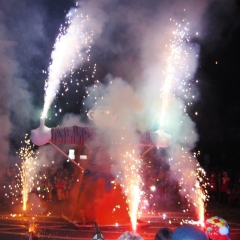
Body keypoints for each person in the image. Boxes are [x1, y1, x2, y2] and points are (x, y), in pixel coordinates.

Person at [31, 104, 172, 224]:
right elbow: (71, 133)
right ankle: (84, 216)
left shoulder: (120, 134)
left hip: (112, 175)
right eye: (102, 112)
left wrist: (156, 137)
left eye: (109, 113)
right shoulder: (88, 133)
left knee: (117, 200)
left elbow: (138, 137)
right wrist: (49, 134)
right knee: (87, 203)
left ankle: (120, 216)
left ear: (115, 117)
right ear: (93, 115)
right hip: (93, 175)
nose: (106, 115)